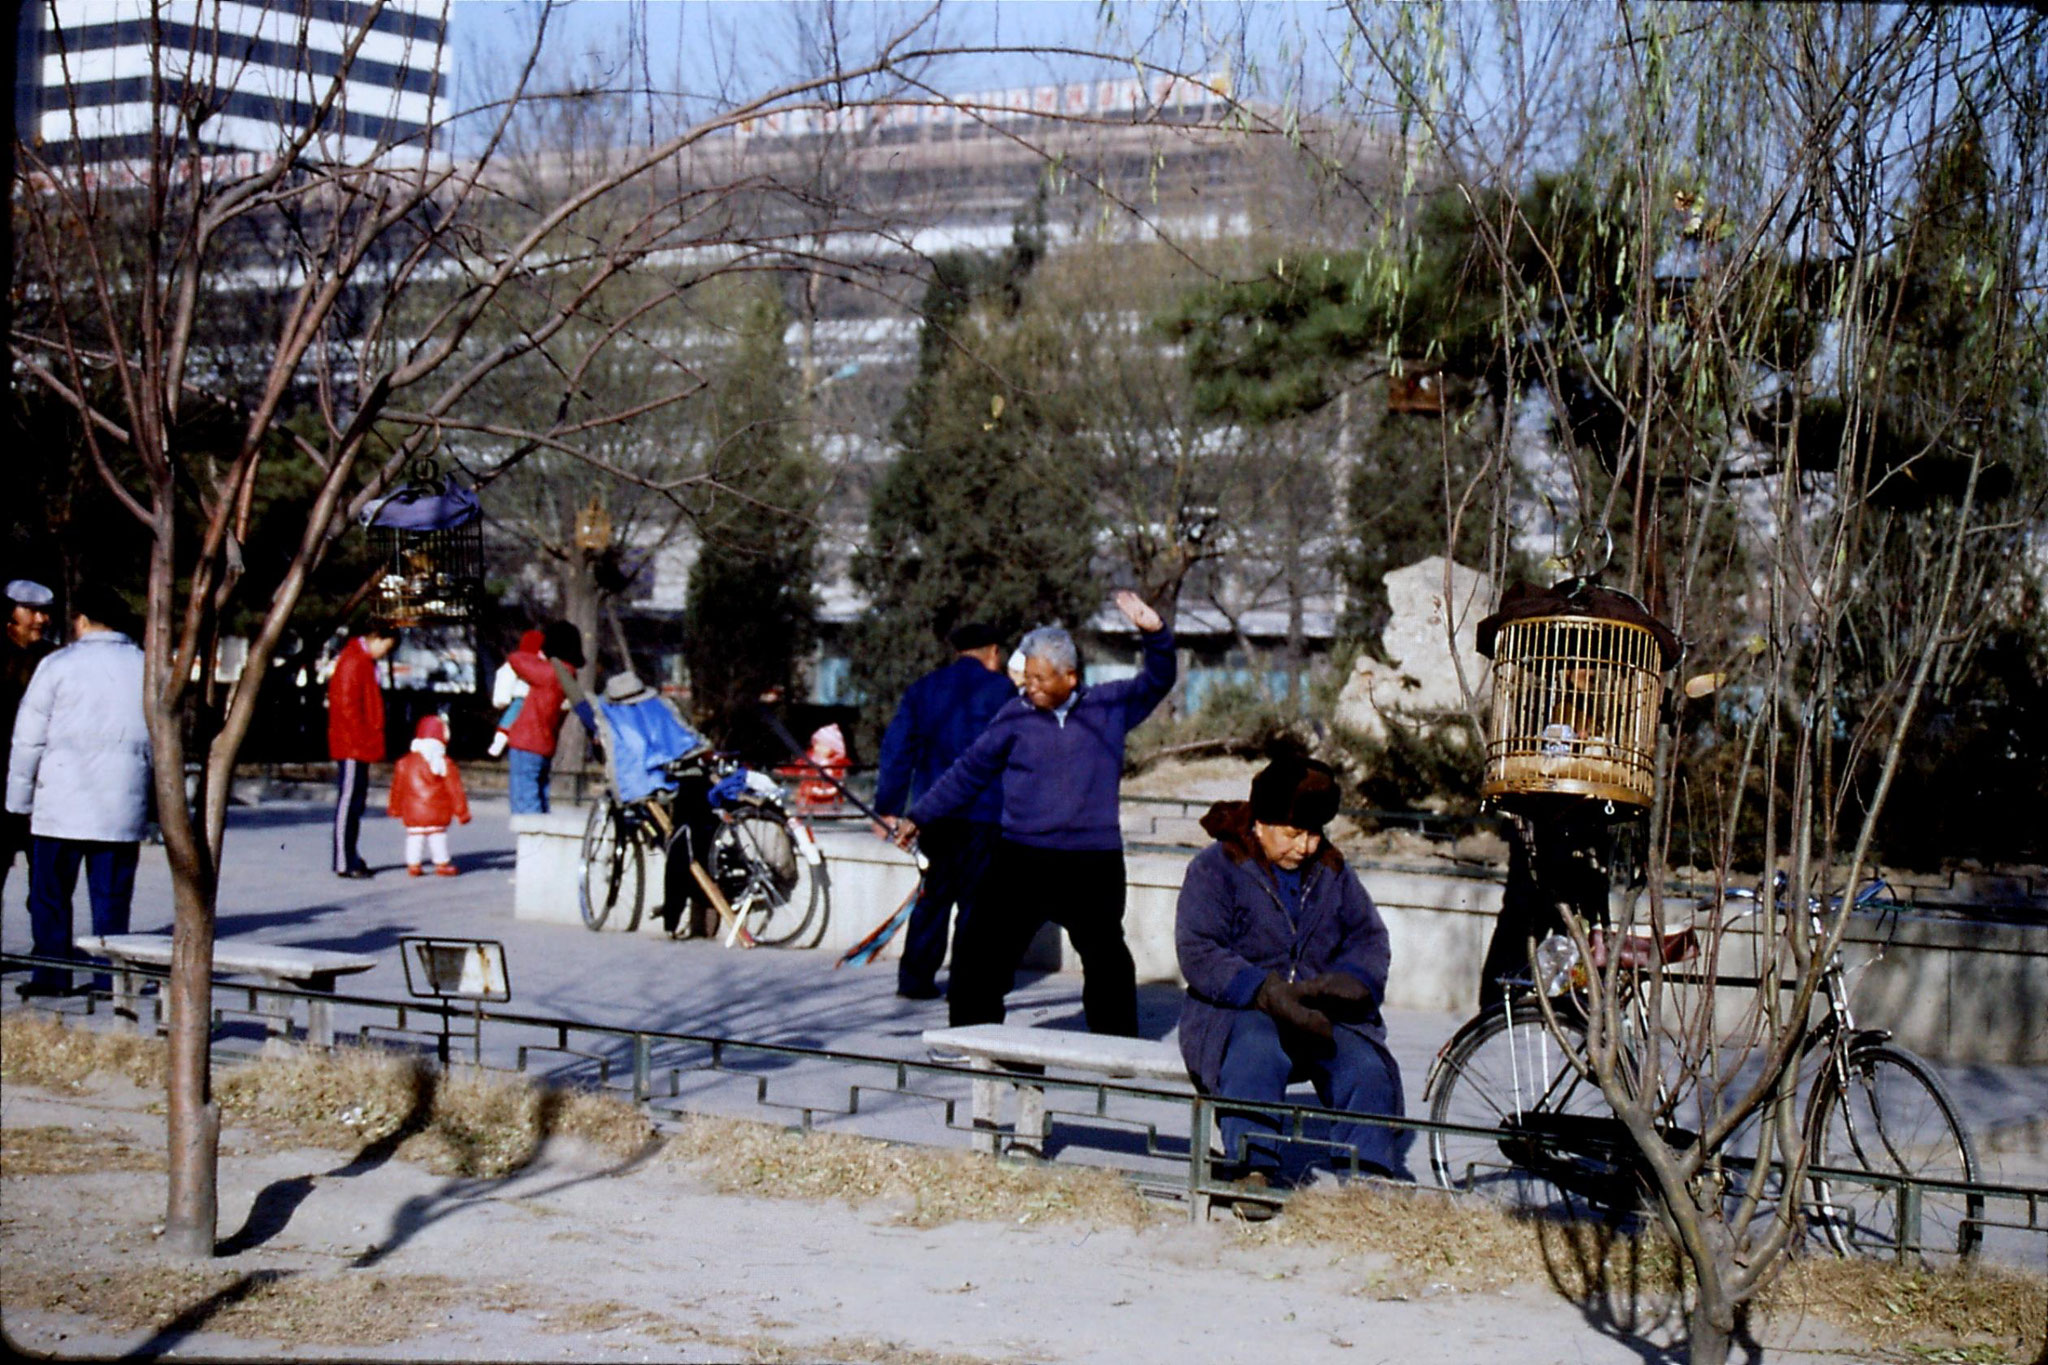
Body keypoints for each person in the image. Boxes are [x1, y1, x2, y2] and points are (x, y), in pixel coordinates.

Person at [894, 590, 1174, 1036]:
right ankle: (975, 1037)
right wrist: (919, 815)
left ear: (1070, 676)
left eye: (1042, 679)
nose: (1032, 687)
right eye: (1028, 678)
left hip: (1092, 861)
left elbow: (1158, 679)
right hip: (1021, 857)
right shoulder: (1014, 715)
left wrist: (1154, 632)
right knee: (980, 953)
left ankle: (1116, 1046)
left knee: (1105, 957)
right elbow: (967, 772)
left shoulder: (1108, 707)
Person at [1174, 755, 1410, 1190]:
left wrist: (1352, 980)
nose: (1305, 847)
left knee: (1364, 1066)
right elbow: (1199, 950)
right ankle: (1254, 1167)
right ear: (1261, 822)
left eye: (1315, 833)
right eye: (1293, 833)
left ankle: (1368, 1177)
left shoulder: (1332, 870)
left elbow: (1369, 938)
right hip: (1238, 1012)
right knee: (1256, 1050)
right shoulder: (1216, 867)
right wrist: (1263, 989)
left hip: (1318, 1012)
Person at [6, 585, 151, 997]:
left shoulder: (57, 664)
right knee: (111, 901)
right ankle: (111, 980)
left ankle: (52, 976)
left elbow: (28, 738)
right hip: (121, 808)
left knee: (51, 897)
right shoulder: (145, 665)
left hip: (61, 807)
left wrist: (18, 801)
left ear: (83, 621)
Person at [873, 621, 1016, 1000]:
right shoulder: (1005, 692)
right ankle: (966, 983)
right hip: (986, 813)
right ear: (991, 652)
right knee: (976, 902)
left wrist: (887, 808)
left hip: (933, 813)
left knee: (933, 894)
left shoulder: (924, 690)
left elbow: (897, 752)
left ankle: (915, 979)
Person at [327, 621, 398, 879]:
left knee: (355, 802)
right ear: (376, 638)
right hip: (352, 743)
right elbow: (348, 708)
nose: (384, 654)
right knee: (349, 801)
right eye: (385, 648)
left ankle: (349, 855)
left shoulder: (361, 661)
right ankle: (344, 860)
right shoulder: (354, 662)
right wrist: (364, 739)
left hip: (356, 742)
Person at [1, 579, 57, 906]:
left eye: (45, 613)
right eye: (31, 611)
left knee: (45, 886)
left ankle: (47, 954)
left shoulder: (53, 659)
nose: (41, 619)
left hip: (40, 788)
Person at [503, 620, 584, 815]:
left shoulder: (549, 673)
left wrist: (536, 649)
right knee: (539, 795)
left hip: (527, 742)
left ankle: (531, 842)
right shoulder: (569, 674)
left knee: (525, 800)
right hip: (545, 744)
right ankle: (541, 840)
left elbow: (516, 659)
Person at [387, 714, 471, 877]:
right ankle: (441, 863)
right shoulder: (444, 762)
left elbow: (397, 789)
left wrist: (395, 808)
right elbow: (455, 789)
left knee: (415, 838)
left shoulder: (404, 762)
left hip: (413, 811)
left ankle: (413, 864)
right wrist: (462, 812)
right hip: (437, 810)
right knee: (437, 837)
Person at [488, 629, 545, 759]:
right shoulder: (545, 663)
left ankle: (500, 740)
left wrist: (501, 700)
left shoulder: (516, 661)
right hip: (539, 701)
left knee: (510, 717)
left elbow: (505, 677)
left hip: (522, 698)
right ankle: (501, 741)